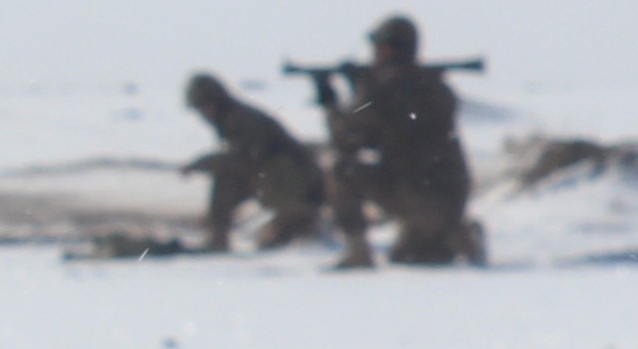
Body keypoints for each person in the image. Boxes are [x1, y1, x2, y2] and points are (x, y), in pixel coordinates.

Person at [326, 13, 483, 268]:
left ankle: (358, 252)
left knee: (342, 170)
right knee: (411, 256)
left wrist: (333, 104)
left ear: (386, 48)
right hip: (451, 196)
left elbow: (346, 139)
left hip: (412, 191)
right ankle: (455, 233)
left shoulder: (381, 88)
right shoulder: (436, 86)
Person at [182, 71, 325, 252]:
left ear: (213, 104)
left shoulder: (240, 120)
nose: (203, 115)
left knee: (226, 179)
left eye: (202, 108)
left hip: (293, 183)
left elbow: (243, 160)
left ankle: (220, 239)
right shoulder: (234, 118)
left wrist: (202, 164)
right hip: (287, 182)